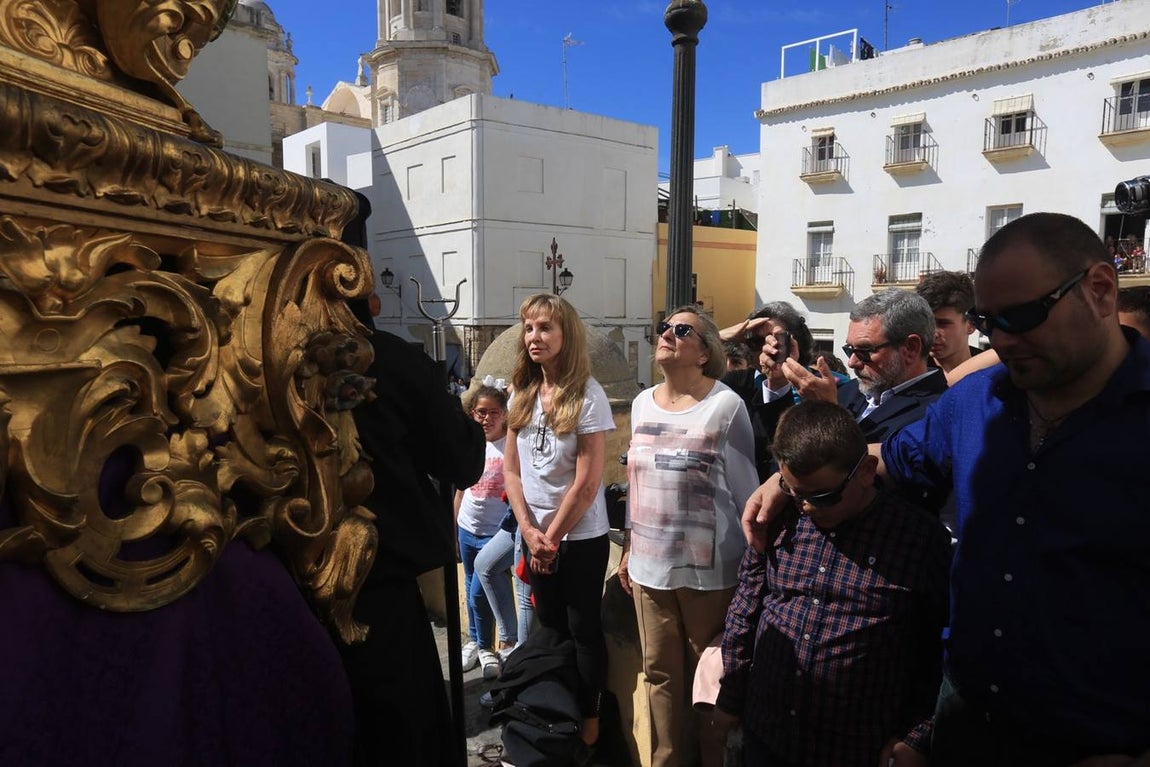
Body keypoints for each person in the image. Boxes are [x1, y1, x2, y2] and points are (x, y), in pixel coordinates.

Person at [744, 212, 1150, 765]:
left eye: (1024, 316)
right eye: (990, 321)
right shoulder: (974, 403)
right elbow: (887, 461)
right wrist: (785, 478)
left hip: (1100, 740)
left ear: (1101, 290)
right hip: (965, 722)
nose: (1002, 340)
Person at [717, 401, 950, 767]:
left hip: (853, 747)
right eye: (794, 492)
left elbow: (940, 647)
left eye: (822, 496)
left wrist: (918, 735)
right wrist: (731, 694)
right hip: (769, 733)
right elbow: (747, 603)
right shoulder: (779, 516)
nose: (807, 507)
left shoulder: (918, 540)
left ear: (867, 471)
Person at [342, 294, 485, 767]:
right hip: (378, 574)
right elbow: (461, 460)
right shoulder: (384, 357)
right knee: (404, 732)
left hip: (281, 579)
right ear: (372, 301)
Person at [618, 306, 759, 767]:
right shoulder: (641, 403)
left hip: (711, 575)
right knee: (660, 678)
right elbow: (636, 486)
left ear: (705, 353)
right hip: (648, 571)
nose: (668, 335)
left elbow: (747, 493)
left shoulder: (725, 406)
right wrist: (628, 547)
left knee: (709, 683)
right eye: (664, 327)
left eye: (683, 330)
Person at [503, 293, 615, 749]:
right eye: (529, 328)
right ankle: (554, 710)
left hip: (580, 538)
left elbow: (588, 483)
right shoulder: (522, 391)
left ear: (566, 336)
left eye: (546, 328)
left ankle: (589, 720)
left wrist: (548, 537)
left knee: (583, 628)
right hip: (537, 537)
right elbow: (512, 470)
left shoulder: (588, 395)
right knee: (548, 629)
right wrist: (530, 532)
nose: (535, 337)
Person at [455, 382, 516, 680]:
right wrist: (453, 527)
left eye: (493, 412)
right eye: (481, 412)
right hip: (467, 527)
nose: (486, 418)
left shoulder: (510, 445)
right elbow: (460, 489)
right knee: (469, 585)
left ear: (504, 414)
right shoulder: (470, 444)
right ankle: (476, 642)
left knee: (481, 590)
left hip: (496, 533)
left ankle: (486, 647)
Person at [719, 301, 816, 481]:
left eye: (778, 340)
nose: (768, 347)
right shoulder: (737, 384)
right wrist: (720, 337)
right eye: (757, 341)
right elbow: (686, 379)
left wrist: (779, 381)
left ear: (796, 342)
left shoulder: (821, 385)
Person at [915, 270, 981, 374]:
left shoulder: (995, 374)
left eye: (943, 324)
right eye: (926, 322)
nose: (932, 333)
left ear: (971, 325)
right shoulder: (909, 375)